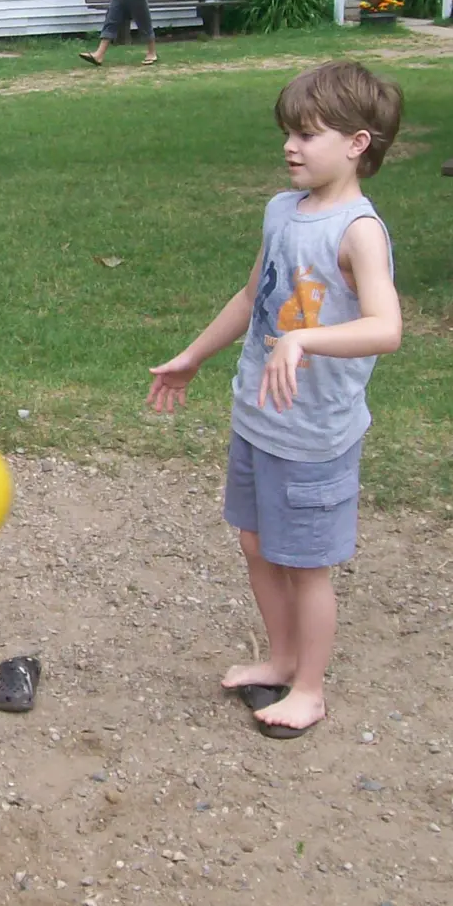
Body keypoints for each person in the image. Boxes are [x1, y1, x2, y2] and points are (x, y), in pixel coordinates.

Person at [146, 61, 403, 739]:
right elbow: (252, 295)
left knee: (306, 566)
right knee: (257, 543)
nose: (290, 145)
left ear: (357, 143)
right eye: (288, 131)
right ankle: (282, 658)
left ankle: (310, 690)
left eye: (309, 133)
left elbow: (387, 326)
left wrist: (305, 341)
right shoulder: (282, 210)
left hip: (315, 432)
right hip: (258, 416)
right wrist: (194, 355)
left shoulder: (358, 231)